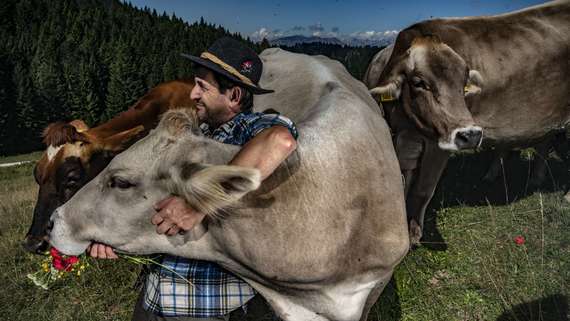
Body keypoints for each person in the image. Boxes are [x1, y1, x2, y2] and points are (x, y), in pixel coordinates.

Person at [89, 37, 298, 321]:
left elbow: (280, 141)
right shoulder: (196, 136)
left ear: (235, 96)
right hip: (155, 297)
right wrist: (109, 236)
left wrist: (197, 204)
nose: (193, 95)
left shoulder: (250, 129)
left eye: (203, 86)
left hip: (211, 306)